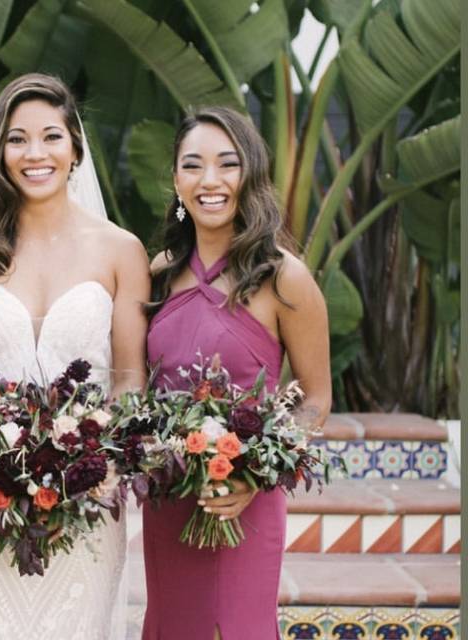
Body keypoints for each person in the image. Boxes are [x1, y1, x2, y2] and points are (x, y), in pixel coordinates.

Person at [0, 73, 150, 639]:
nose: (36, 153)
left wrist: (100, 462)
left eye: (51, 136)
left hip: (88, 498)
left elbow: (129, 378)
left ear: (76, 147)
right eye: (17, 138)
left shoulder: (121, 250)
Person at [142, 106, 331, 639]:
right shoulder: (158, 274)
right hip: (170, 497)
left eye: (227, 164)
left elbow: (315, 399)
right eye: (193, 166)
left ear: (250, 175)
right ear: (177, 180)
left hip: (245, 504)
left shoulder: (284, 278)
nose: (210, 181)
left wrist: (252, 470)